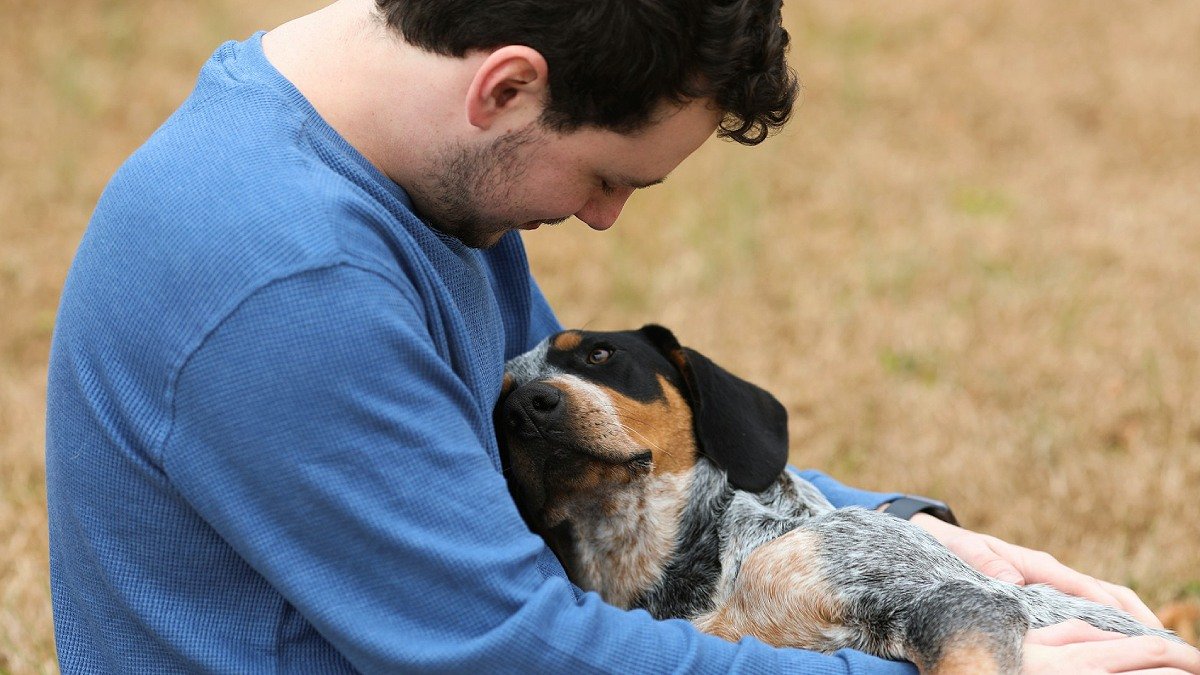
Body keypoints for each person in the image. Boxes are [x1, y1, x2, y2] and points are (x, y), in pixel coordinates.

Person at [45, 0, 1199, 672]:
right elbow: (514, 654)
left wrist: (911, 538)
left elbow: (623, 475)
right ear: (505, 88)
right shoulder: (291, 279)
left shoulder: (414, 178)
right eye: (608, 176)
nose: (599, 218)